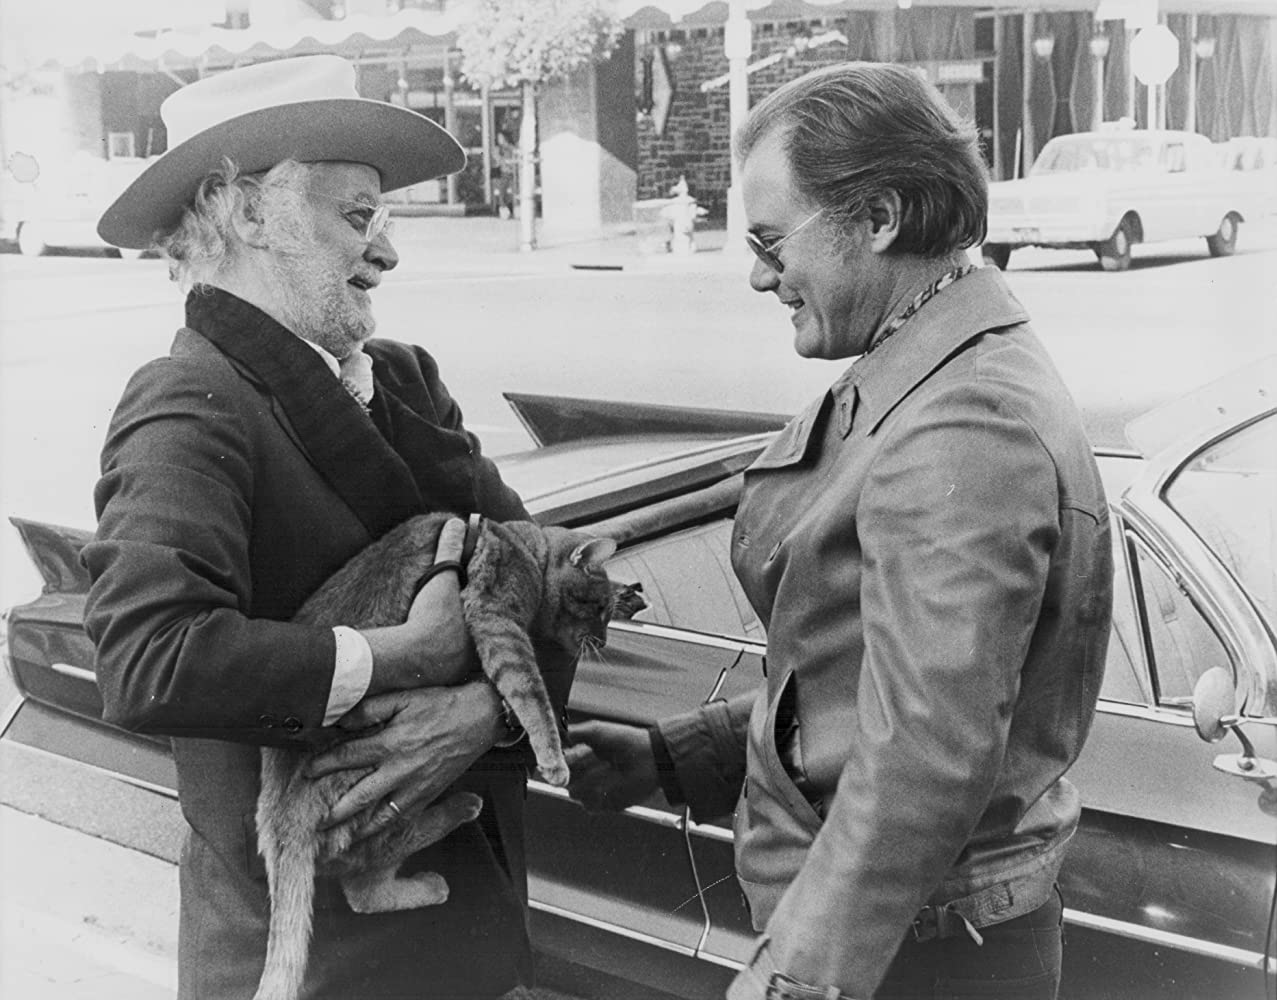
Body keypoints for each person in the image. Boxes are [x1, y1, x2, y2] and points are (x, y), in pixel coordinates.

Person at [566, 63, 1113, 1000]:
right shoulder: (938, 370)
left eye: (769, 240)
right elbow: (865, 677)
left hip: (904, 960)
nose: (758, 275)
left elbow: (923, 755)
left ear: (879, 218)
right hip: (905, 941)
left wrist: (795, 980)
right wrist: (680, 756)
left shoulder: (962, 419)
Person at [83, 55, 563, 999]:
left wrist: (484, 712)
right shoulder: (188, 398)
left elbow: (535, 570)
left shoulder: (404, 378)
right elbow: (147, 660)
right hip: (309, 957)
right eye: (358, 217)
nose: (387, 255)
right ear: (248, 213)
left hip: (464, 923)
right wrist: (399, 659)